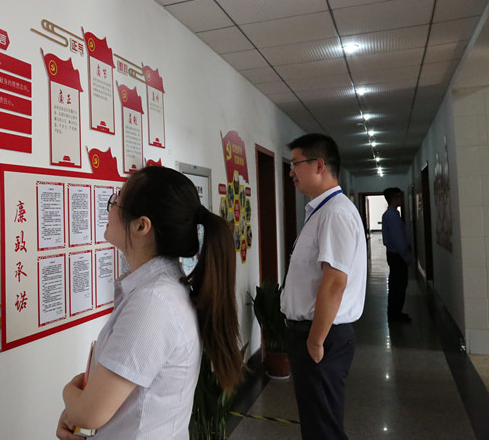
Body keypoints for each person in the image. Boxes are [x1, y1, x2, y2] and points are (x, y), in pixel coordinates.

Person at [56, 166, 243, 439]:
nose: (109, 210)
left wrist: (69, 393)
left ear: (141, 226)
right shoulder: (159, 291)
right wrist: (75, 410)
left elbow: (89, 413)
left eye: (116, 201)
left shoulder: (153, 303)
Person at [281, 133, 367, 440]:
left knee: (323, 429)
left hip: (322, 335)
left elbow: (334, 282)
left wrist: (316, 341)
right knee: (317, 423)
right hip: (316, 333)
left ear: (319, 165)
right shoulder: (323, 211)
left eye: (295, 164)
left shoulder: (335, 213)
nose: (291, 172)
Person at [381, 187, 412, 322]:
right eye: (399, 196)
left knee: (396, 285)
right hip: (397, 255)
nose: (401, 199)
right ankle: (395, 314)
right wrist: (406, 256)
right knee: (399, 285)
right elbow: (398, 239)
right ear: (394, 198)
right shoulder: (392, 216)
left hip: (393, 254)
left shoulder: (390, 214)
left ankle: (395, 313)